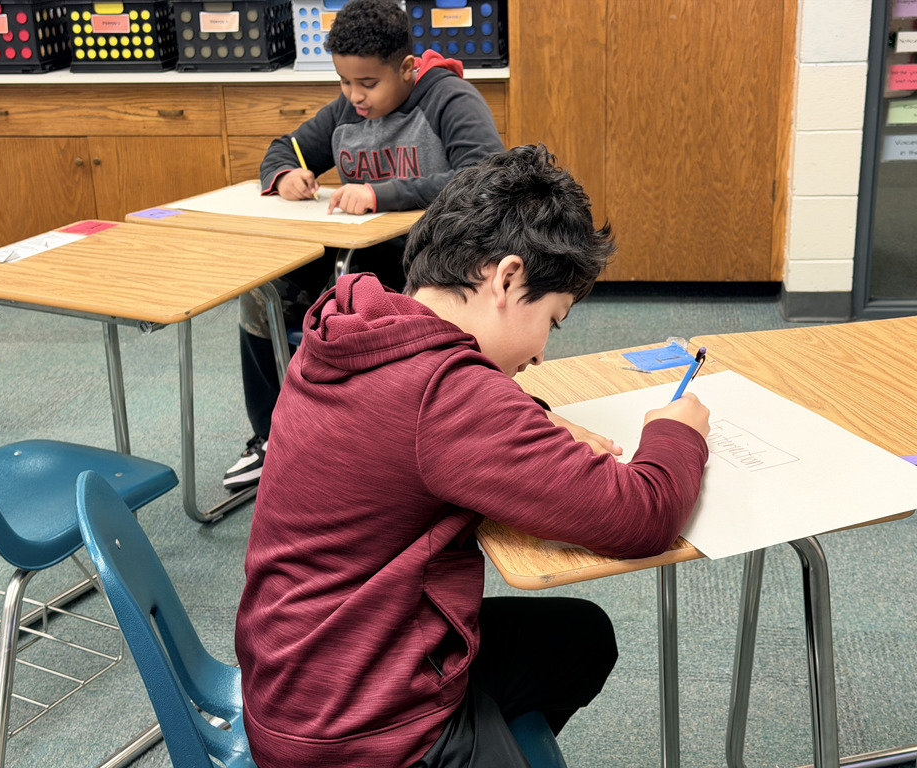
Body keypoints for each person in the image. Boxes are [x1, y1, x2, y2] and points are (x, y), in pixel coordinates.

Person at [235, 144, 711, 768]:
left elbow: (418, 432)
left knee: (579, 641)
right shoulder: (444, 393)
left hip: (298, 671)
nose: (542, 353)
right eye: (553, 320)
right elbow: (642, 516)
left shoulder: (357, 322)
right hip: (355, 728)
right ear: (508, 279)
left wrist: (528, 421)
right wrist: (679, 432)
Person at [224, 0, 504, 491]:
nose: (354, 96)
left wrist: (382, 194)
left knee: (363, 314)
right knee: (260, 297)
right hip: (351, 260)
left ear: (407, 68)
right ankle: (272, 437)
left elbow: (484, 177)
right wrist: (285, 174)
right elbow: (282, 148)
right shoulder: (345, 110)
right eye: (344, 82)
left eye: (368, 84)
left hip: (426, 264)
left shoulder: (450, 100)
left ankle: (381, 442)